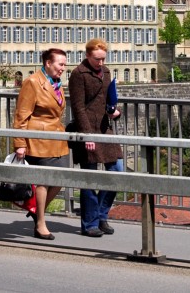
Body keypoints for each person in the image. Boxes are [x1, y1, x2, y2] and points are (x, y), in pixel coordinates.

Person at [12, 47, 69, 240]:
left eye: (64, 64)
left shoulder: (55, 82)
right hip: (38, 138)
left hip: (55, 138)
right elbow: (21, 115)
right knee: (43, 181)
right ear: (48, 63)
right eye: (60, 64)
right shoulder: (33, 82)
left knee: (61, 178)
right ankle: (40, 224)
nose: (63, 68)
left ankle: (37, 211)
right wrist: (20, 143)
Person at [67, 37, 123, 238]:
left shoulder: (106, 72)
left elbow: (109, 99)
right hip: (88, 129)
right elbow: (78, 107)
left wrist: (115, 111)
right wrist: (86, 135)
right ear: (87, 56)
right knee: (89, 177)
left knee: (117, 172)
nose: (101, 63)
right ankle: (90, 223)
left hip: (104, 128)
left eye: (103, 59)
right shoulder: (78, 74)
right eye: (97, 59)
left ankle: (101, 215)